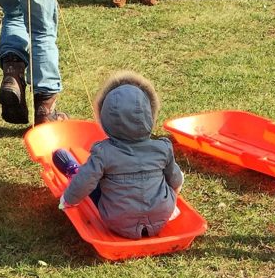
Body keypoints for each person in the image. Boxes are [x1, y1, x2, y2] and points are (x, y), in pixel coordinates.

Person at [56, 71, 185, 239]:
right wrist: (170, 193)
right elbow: (176, 180)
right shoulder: (162, 147)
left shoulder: (103, 152)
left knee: (93, 179)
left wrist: (68, 199)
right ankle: (165, 207)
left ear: (105, 118)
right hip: (162, 216)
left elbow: (84, 182)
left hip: (117, 220)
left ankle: (73, 171)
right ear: (150, 116)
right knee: (172, 176)